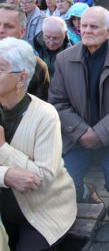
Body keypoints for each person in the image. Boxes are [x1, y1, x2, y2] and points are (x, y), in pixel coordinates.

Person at [48, 6, 109, 222]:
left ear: (108, 30)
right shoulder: (65, 59)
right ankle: (86, 192)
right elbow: (57, 102)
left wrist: (99, 134)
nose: (87, 31)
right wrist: (82, 132)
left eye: (94, 26)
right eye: (83, 26)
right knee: (63, 180)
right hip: (77, 135)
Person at [0, 37, 76, 250]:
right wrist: (6, 175)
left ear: (21, 78)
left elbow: (42, 178)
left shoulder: (45, 115)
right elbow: (17, 176)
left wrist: (3, 149)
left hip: (41, 210)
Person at [0, 3, 50, 100]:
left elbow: (38, 108)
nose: (1, 30)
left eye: (8, 26)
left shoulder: (37, 67)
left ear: (22, 32)